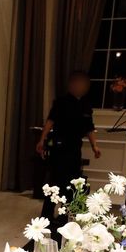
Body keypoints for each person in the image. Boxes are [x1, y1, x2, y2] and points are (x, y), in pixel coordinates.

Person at [37, 71, 102, 220]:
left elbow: (89, 127)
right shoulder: (61, 102)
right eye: (79, 84)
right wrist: (42, 140)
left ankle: (65, 215)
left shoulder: (86, 105)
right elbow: (50, 121)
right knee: (55, 181)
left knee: (73, 182)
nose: (82, 87)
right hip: (59, 146)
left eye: (85, 85)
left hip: (75, 147)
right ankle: (47, 215)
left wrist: (95, 146)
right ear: (72, 85)